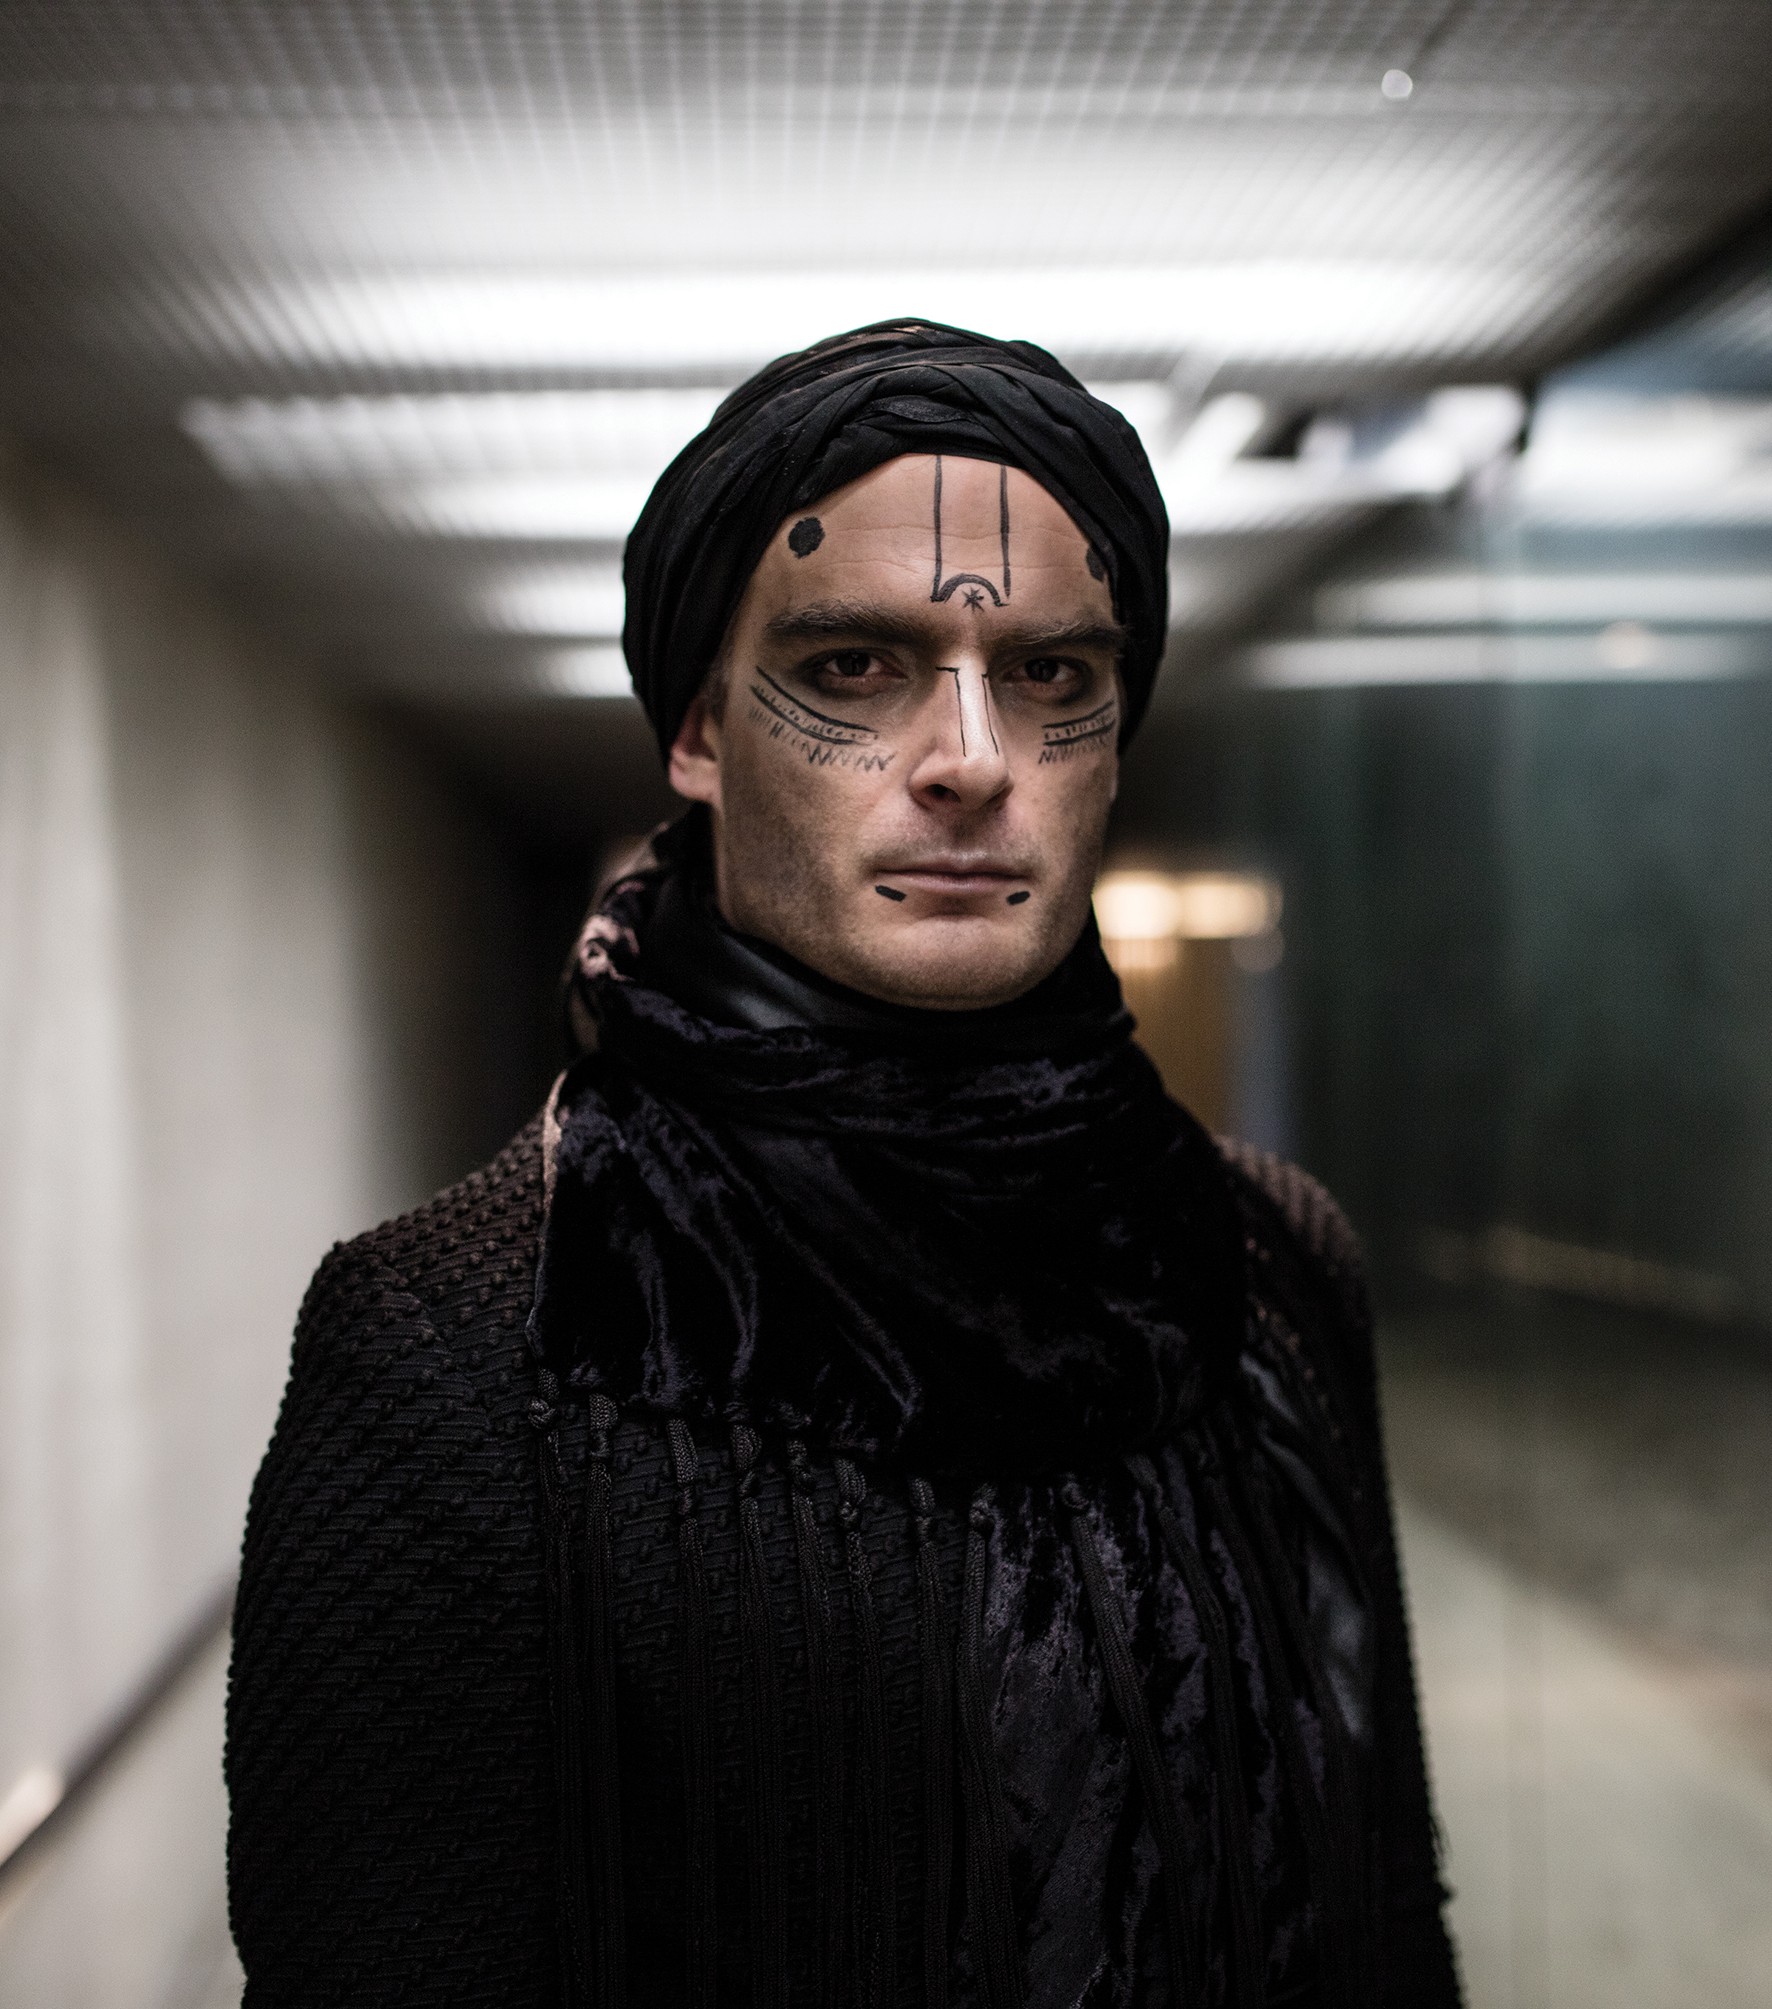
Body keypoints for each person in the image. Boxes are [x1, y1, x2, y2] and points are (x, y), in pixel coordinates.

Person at [226, 321, 1460, 2008]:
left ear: (1115, 737)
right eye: (858, 666)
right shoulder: (461, 1341)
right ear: (699, 731)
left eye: (1052, 675)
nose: (970, 758)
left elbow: (1391, 1910)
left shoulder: (1270, 1264)